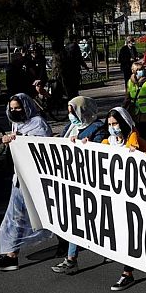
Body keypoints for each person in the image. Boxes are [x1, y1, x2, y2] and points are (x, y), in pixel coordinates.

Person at [0, 94, 55, 271]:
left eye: (18, 107)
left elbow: (44, 148)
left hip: (33, 179)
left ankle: (12, 255)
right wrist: (8, 140)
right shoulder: (17, 123)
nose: (14, 111)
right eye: (11, 108)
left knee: (22, 216)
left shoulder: (38, 124)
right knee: (14, 215)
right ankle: (9, 250)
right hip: (19, 176)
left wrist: (20, 140)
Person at [50, 96, 109, 274]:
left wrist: (87, 146)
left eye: (73, 112)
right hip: (71, 181)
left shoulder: (97, 128)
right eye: (69, 112)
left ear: (83, 111)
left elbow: (100, 151)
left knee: (94, 219)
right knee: (76, 220)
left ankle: (76, 256)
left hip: (90, 183)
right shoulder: (70, 127)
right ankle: (71, 258)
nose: (71, 116)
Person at [103, 107, 146, 291]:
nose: (113, 127)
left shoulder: (137, 142)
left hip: (135, 199)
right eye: (110, 124)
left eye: (115, 123)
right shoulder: (105, 143)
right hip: (114, 198)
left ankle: (127, 273)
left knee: (132, 235)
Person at [124, 61, 146, 151]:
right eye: (139, 70)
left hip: (145, 113)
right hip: (135, 113)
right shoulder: (130, 82)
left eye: (142, 69)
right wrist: (123, 108)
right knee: (142, 132)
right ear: (133, 71)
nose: (141, 71)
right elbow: (127, 98)